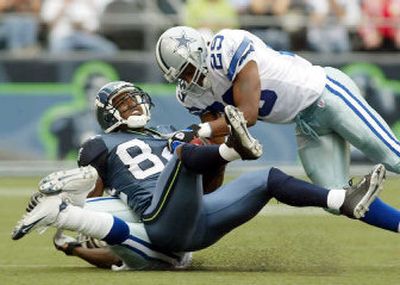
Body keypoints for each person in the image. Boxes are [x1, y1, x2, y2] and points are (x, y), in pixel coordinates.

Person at [12, 80, 387, 270]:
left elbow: (207, 187)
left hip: (195, 222)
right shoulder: (98, 144)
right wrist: (75, 238)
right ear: (109, 114)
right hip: (155, 217)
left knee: (266, 178)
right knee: (183, 156)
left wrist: (217, 159)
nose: (134, 104)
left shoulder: (164, 136)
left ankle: (341, 199)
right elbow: (95, 203)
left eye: (134, 98)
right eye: (124, 103)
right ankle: (230, 148)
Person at [155, 26, 400, 233]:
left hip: (327, 94)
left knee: (394, 157)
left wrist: (197, 131)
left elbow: (247, 115)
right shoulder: (191, 96)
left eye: (187, 71)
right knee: (340, 199)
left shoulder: (226, 47)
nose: (187, 80)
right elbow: (219, 149)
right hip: (306, 125)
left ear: (198, 51)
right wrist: (206, 187)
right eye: (181, 77)